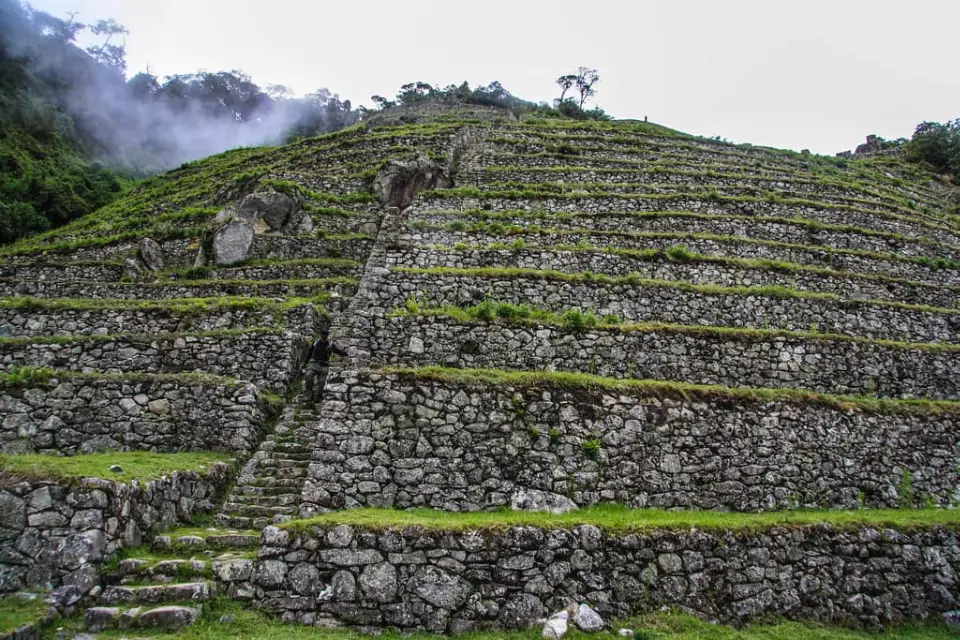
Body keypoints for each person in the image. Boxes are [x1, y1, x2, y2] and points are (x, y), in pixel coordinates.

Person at [303, 330, 347, 401]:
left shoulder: (330, 344)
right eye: (323, 334)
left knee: (322, 382)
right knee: (308, 376)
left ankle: (319, 397)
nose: (324, 336)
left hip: (324, 365)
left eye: (325, 335)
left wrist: (344, 353)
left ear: (327, 335)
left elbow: (337, 350)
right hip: (314, 363)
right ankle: (309, 395)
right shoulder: (315, 343)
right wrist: (305, 363)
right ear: (320, 335)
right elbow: (309, 353)